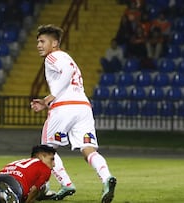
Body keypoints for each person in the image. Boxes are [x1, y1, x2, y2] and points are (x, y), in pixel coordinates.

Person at [31, 24, 117, 203]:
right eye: (37, 42)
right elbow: (70, 75)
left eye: (42, 41)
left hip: (63, 107)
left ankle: (65, 183)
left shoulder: (52, 57)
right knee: (88, 149)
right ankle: (107, 177)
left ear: (54, 43)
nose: (38, 45)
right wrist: (48, 99)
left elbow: (67, 72)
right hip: (83, 107)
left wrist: (49, 99)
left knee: (45, 150)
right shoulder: (67, 58)